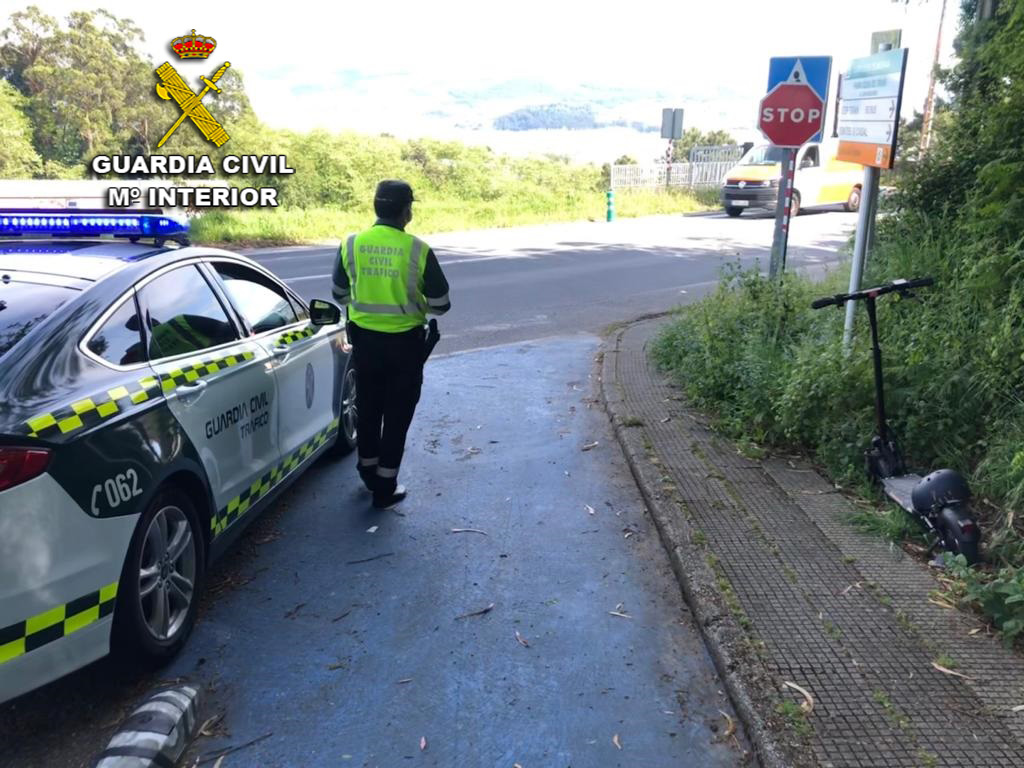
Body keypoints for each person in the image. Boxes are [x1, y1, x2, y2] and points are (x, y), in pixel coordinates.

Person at [332, 180, 451, 509]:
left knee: (368, 408)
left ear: (376, 207)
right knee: (397, 415)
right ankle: (385, 487)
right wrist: (411, 303)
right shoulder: (417, 249)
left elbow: (340, 295)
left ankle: (367, 473)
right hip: (405, 348)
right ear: (406, 211)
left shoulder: (351, 244)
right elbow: (441, 303)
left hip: (365, 345)